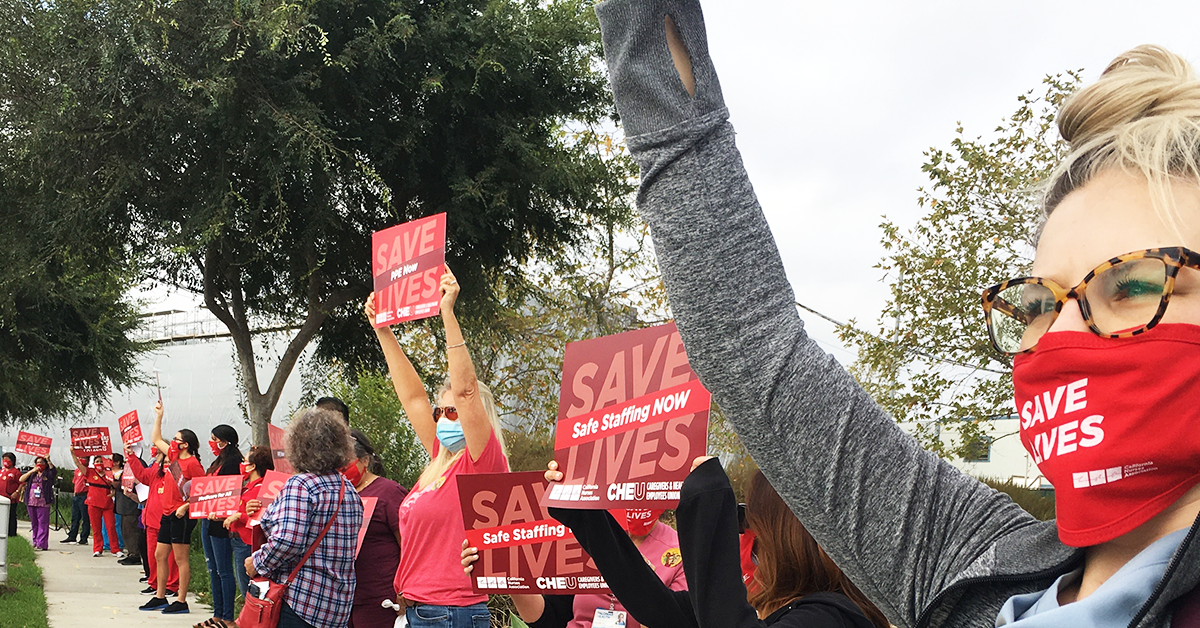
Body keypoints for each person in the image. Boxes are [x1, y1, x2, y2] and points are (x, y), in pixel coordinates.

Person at [591, 2, 1200, 624]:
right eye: (1038, 304)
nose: (1062, 333)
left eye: (1131, 288)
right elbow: (751, 346)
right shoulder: (970, 563)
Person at [366, 264, 510, 628]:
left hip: (451, 613)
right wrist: (382, 330)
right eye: (441, 411)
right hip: (422, 611)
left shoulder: (482, 462)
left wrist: (448, 312)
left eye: (454, 412)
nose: (444, 418)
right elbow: (413, 397)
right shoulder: (440, 461)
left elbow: (466, 389)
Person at [461, 502, 688, 628]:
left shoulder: (681, 553)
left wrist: (640, 581)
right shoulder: (585, 529)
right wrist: (504, 574)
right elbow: (548, 619)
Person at [247, 408, 363, 628]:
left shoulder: (300, 485)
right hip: (336, 605)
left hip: (300, 601)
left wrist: (257, 562)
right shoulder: (347, 488)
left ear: (299, 446)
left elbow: (287, 540)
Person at [140, 400, 204, 615]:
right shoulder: (174, 457)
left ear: (185, 444)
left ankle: (181, 600)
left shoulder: (194, 464)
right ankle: (160, 596)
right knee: (160, 555)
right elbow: (156, 439)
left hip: (181, 516)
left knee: (180, 558)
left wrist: (186, 506)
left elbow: (201, 493)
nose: (173, 443)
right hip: (167, 514)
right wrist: (159, 415)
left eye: (177, 439)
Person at [344, 429, 408, 628]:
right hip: (344, 599)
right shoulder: (337, 493)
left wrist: (406, 590)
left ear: (364, 460)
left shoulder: (388, 492)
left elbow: (408, 544)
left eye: (347, 463)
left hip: (381, 598)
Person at [198, 424, 244, 628]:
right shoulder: (218, 461)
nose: (212, 443)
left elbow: (229, 491)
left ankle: (227, 616)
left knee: (224, 570)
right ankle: (217, 613)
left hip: (221, 521)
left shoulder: (233, 461)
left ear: (225, 441)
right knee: (213, 568)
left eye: (215, 439)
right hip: (208, 517)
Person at [125, 442, 181, 598]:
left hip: (168, 520)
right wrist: (131, 456)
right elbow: (142, 475)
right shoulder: (156, 472)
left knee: (169, 557)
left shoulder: (176, 471)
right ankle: (154, 583)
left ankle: (171, 585)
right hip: (151, 521)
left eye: (160, 454)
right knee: (153, 555)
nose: (157, 457)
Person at [224, 445, 274, 597]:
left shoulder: (261, 490)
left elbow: (259, 519)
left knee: (248, 591)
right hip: (238, 540)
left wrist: (240, 516)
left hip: (247, 543)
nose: (241, 465)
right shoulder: (247, 488)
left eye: (244, 461)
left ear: (252, 466)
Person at [74, 453, 120, 557]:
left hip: (107, 504)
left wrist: (113, 489)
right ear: (93, 463)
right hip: (93, 503)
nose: (99, 463)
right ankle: (97, 548)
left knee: (111, 527)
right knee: (96, 527)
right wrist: (73, 452)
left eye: (101, 461)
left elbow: (117, 485)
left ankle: (115, 549)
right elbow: (77, 463)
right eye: (97, 461)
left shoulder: (109, 473)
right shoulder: (89, 472)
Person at [19, 456, 56, 551]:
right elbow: (21, 479)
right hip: (31, 501)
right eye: (38, 462)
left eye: (42, 462)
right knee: (34, 523)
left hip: (43, 502)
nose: (40, 464)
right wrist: (32, 471)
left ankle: (42, 543)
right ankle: (35, 541)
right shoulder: (33, 474)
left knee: (43, 522)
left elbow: (53, 472)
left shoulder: (48, 473)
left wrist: (48, 460)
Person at [113, 453, 142, 564]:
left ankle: (135, 554)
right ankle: (131, 552)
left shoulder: (138, 464)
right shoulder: (127, 465)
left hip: (131, 505)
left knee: (132, 531)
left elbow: (134, 483)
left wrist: (119, 484)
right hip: (124, 506)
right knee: (126, 531)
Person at [61, 463, 91, 545]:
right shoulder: (77, 470)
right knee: (75, 517)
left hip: (84, 495)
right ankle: (72, 536)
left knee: (85, 517)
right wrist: (75, 492)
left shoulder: (88, 470)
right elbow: (75, 482)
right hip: (77, 495)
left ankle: (84, 537)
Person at [1, 452, 21, 539]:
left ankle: (12, 533)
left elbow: (22, 483)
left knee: (11, 516)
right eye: (4, 459)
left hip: (11, 498)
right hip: (2, 497)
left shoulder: (16, 472)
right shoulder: (2, 471)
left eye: (7, 460)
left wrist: (17, 492)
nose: (5, 462)